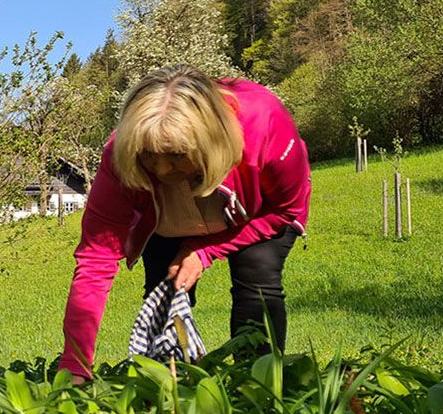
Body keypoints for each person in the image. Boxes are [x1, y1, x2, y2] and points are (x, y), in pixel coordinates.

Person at [60, 64, 311, 380]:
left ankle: (256, 386)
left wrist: (204, 251)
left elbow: (284, 212)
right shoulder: (121, 153)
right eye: (149, 154)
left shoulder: (264, 121)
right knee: (165, 289)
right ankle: (171, 388)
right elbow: (97, 258)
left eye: (177, 154)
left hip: (257, 215)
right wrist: (75, 364)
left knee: (256, 279)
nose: (163, 170)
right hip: (168, 219)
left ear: (210, 139)